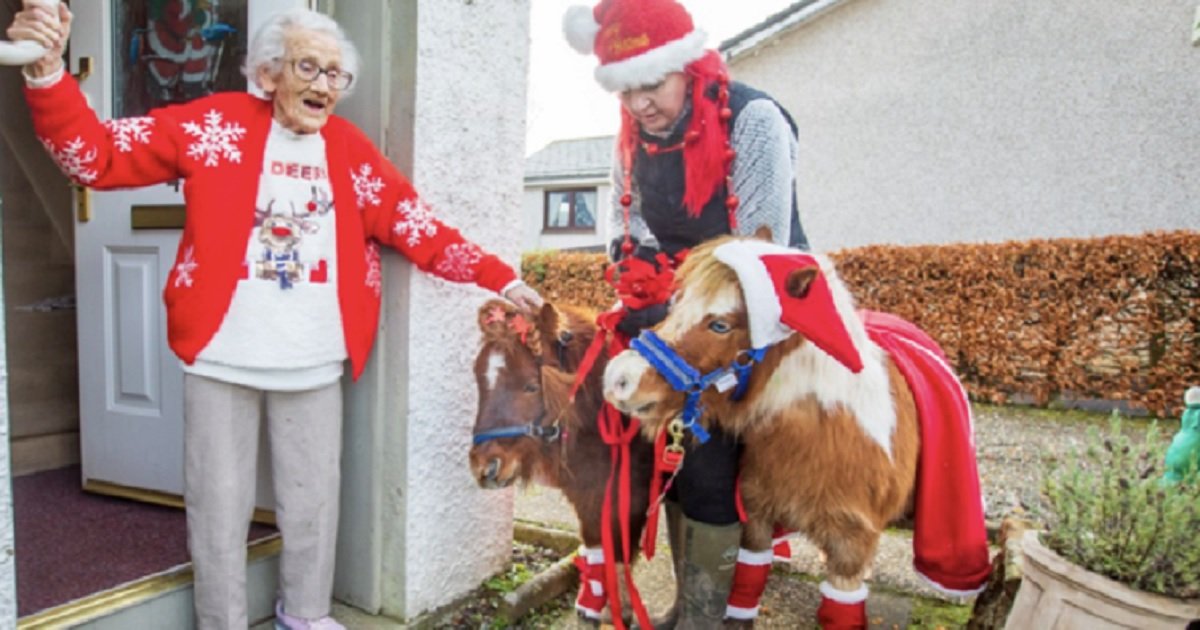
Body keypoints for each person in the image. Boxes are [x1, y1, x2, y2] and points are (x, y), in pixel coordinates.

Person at [8, 5, 541, 629]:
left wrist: (499, 276)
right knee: (218, 506)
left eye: (335, 75)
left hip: (313, 359)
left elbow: (414, 225)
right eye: (307, 67)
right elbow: (94, 157)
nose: (322, 85)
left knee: (313, 502)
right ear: (268, 74)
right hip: (219, 354)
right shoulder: (216, 126)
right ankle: (222, 621)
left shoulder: (349, 152)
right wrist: (47, 71)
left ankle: (305, 614)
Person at [563, 0, 808, 626]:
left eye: (651, 84)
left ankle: (708, 614)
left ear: (689, 66)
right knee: (641, 429)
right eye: (625, 91)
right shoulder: (633, 140)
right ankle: (670, 590)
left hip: (750, 304)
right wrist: (635, 285)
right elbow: (632, 229)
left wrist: (684, 320)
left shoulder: (753, 121)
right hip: (675, 304)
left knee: (705, 448)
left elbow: (761, 246)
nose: (639, 104)